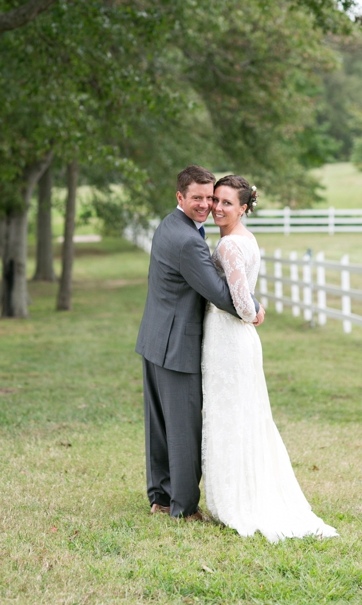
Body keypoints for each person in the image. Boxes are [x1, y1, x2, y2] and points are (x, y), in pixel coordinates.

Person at [202, 175, 337, 541]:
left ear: (244, 208)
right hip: (234, 339)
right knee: (242, 416)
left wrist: (255, 310)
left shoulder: (230, 246)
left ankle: (236, 499)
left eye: (227, 203)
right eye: (216, 200)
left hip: (230, 336)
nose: (217, 207)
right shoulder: (243, 238)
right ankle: (236, 491)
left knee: (232, 415)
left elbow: (244, 305)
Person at [135, 165, 265, 520]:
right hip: (176, 344)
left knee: (160, 427)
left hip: (156, 338)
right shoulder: (189, 240)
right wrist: (253, 306)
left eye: (210, 197)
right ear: (180, 196)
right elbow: (221, 294)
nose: (206, 205)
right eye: (198, 198)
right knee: (182, 428)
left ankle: (161, 497)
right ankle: (184, 507)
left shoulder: (171, 224)